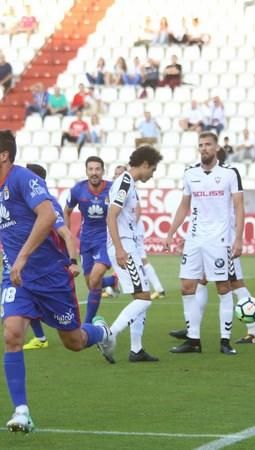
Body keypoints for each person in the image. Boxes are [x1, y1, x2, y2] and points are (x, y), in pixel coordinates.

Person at [0, 130, 114, 433]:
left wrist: (25, 256)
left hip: (51, 276)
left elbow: (48, 218)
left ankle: (102, 332)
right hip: (16, 278)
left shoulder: (25, 179)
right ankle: (22, 412)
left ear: (4, 155)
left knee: (73, 341)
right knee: (12, 334)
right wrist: (14, 261)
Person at [164, 132, 243, 355]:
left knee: (223, 287)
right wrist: (171, 232)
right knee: (187, 287)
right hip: (194, 238)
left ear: (217, 147)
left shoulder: (229, 173)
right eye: (201, 145)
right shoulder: (190, 173)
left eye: (208, 144)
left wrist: (238, 238)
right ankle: (193, 340)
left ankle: (225, 341)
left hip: (220, 239)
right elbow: (184, 205)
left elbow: (239, 207)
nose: (204, 148)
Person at [102, 145, 164, 363]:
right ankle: (108, 334)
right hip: (124, 247)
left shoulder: (129, 184)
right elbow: (111, 215)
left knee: (142, 294)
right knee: (144, 299)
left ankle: (136, 350)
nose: (152, 174)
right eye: (153, 170)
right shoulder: (125, 181)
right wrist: (120, 248)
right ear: (145, 164)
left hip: (129, 246)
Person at [22, 163, 82, 351]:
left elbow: (66, 234)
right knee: (21, 310)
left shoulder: (49, 205)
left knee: (73, 340)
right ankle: (40, 338)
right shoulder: (23, 203)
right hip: (28, 269)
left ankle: (101, 332)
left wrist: (73, 262)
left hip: (52, 272)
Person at [61, 157, 119, 331]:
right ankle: (112, 281)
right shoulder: (78, 190)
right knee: (91, 284)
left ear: (103, 171)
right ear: (86, 171)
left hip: (105, 239)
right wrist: (67, 236)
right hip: (86, 240)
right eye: (91, 169)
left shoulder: (112, 189)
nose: (94, 172)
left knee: (94, 280)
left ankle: (86, 324)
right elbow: (67, 211)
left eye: (97, 169)